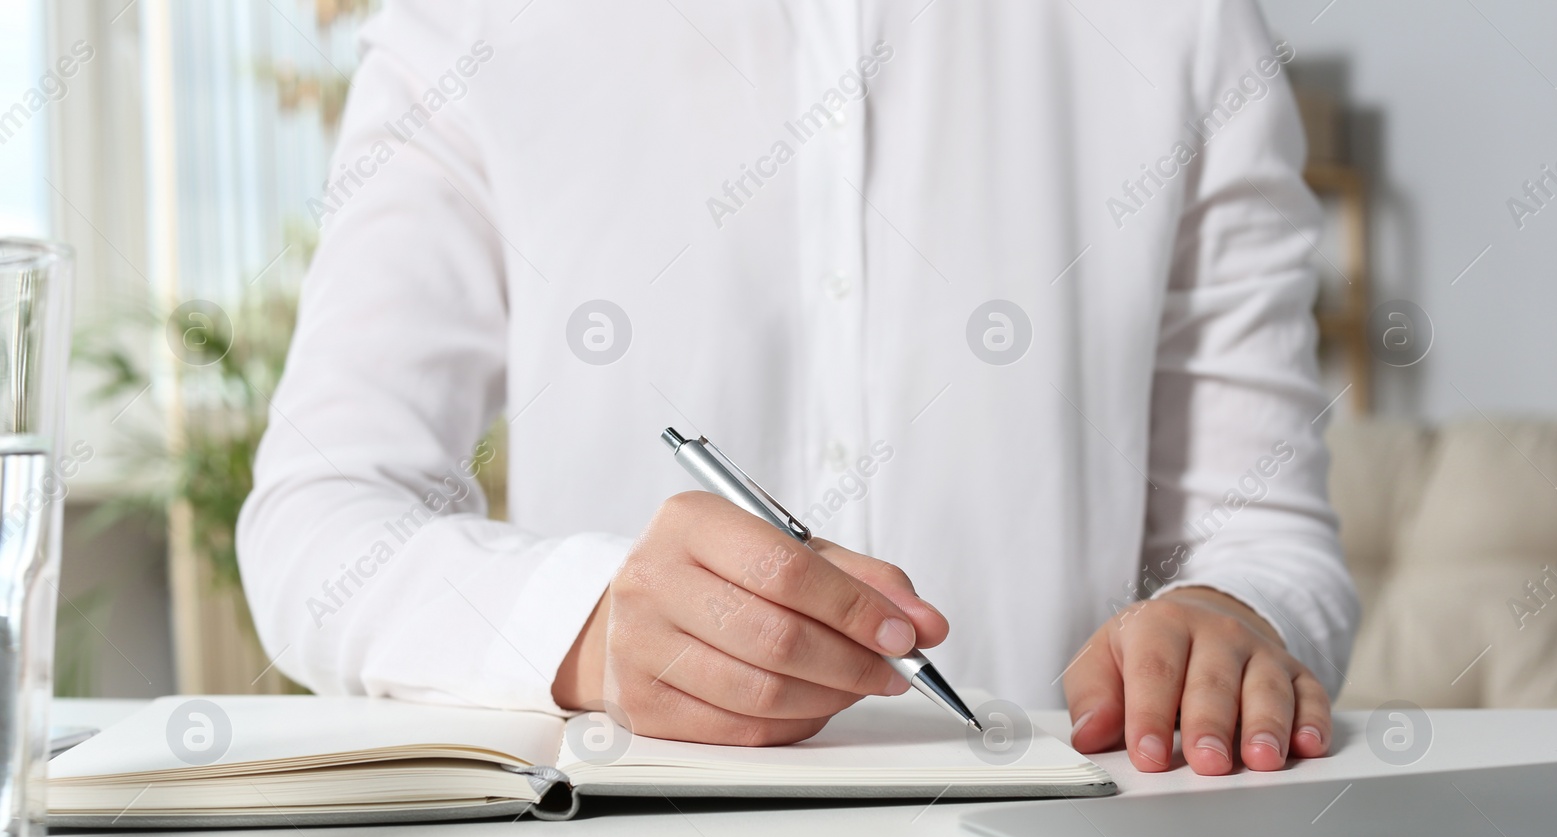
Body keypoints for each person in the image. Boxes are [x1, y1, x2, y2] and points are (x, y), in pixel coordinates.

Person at [238, 0, 1359, 776]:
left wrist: (1230, 621)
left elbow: (1263, 540)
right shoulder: (472, 24)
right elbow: (321, 523)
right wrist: (588, 628)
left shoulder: (1185, 27)